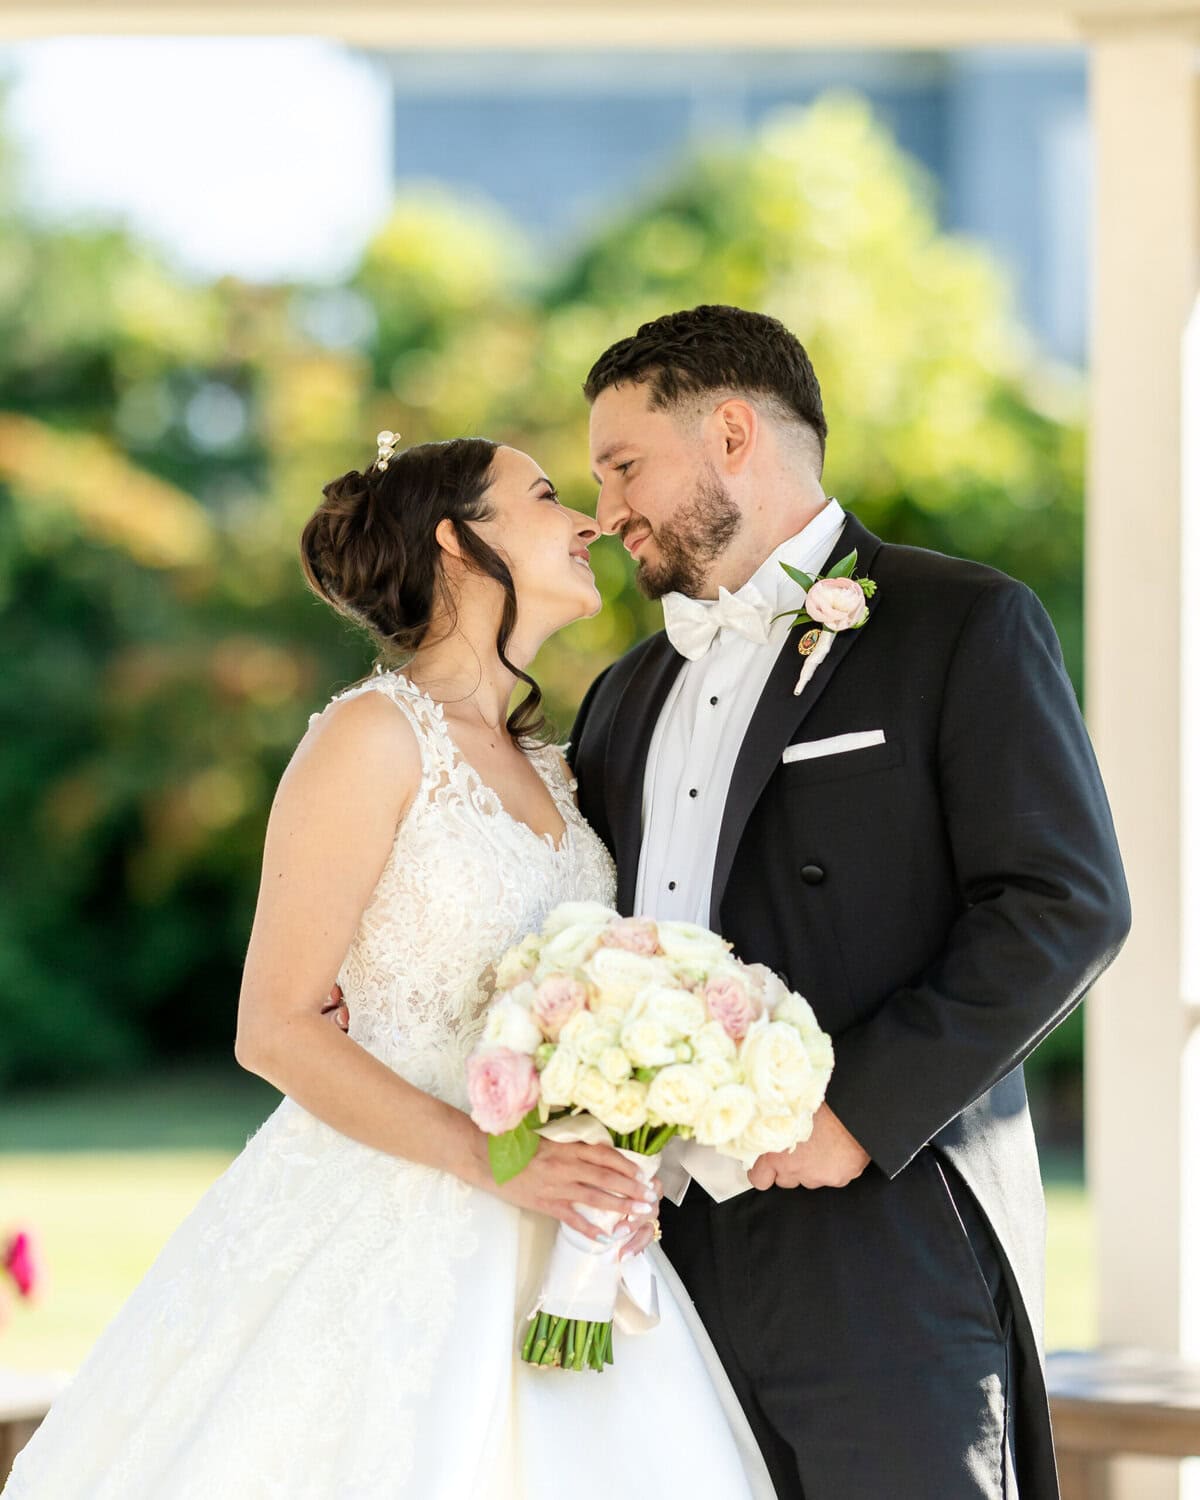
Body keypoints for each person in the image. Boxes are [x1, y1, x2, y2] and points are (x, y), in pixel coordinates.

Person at [2, 435, 774, 1499]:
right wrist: (496, 1159)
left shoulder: (555, 763)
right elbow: (273, 1025)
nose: (590, 520)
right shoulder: (370, 737)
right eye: (548, 497)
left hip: (563, 1235)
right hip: (395, 1212)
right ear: (460, 543)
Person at [567, 305, 1131, 1500]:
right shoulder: (622, 694)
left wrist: (857, 1116)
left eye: (624, 466)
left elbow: (1062, 902)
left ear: (731, 432)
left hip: (883, 1219)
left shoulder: (957, 622)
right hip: (661, 1251)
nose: (606, 509)